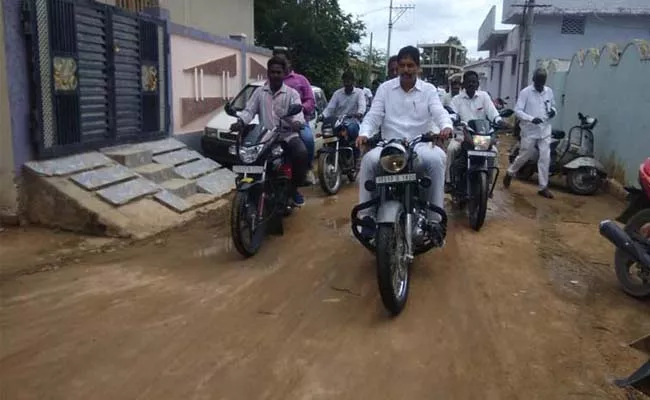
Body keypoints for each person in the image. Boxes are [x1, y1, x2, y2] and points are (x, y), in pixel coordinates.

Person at [355, 45, 453, 238]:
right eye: (402, 65)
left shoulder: (429, 90)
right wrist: (364, 132)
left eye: (411, 65)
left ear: (418, 67)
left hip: (420, 145)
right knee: (368, 161)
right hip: (390, 146)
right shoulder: (385, 89)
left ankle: (434, 221)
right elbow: (373, 115)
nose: (406, 70)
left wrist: (446, 126)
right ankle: (366, 217)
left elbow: (438, 111)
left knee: (437, 159)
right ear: (397, 68)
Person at [230, 56, 308, 206]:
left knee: (301, 152)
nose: (275, 75)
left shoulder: (292, 94)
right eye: (272, 72)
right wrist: (240, 122)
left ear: (284, 74)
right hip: (265, 135)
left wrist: (297, 123)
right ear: (268, 73)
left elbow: (298, 113)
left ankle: (294, 189)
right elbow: (249, 111)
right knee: (248, 156)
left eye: (279, 72)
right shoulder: (259, 92)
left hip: (287, 135)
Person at [445, 70, 508, 193]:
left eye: (474, 82)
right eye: (469, 82)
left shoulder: (484, 97)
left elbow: (493, 113)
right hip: (462, 136)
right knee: (452, 149)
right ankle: (449, 182)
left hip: (481, 137)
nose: (471, 84)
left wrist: (499, 121)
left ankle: (488, 183)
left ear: (478, 83)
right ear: (464, 84)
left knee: (494, 151)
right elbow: (452, 114)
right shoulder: (457, 100)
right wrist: (453, 119)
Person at [503, 68, 557, 199]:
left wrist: (553, 112)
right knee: (525, 155)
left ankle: (543, 187)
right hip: (529, 130)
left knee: (545, 157)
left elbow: (553, 106)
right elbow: (518, 111)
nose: (540, 85)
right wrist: (531, 118)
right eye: (538, 82)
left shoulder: (548, 91)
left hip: (544, 130)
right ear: (534, 80)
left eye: (542, 82)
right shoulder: (525, 92)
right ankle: (510, 172)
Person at [272, 47, 317, 183]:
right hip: (275, 125)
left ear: (289, 63)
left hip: (297, 124)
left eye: (282, 61)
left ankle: (307, 169)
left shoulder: (301, 80)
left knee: (308, 139)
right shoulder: (270, 82)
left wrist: (301, 109)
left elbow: (310, 100)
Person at [322, 70, 366, 158]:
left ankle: (355, 154)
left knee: (352, 129)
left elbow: (362, 106)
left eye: (349, 81)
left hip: (353, 120)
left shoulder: (359, 93)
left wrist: (359, 113)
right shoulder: (337, 93)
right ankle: (331, 150)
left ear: (353, 82)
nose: (347, 83)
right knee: (327, 129)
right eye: (345, 81)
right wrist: (322, 115)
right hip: (338, 121)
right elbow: (330, 108)